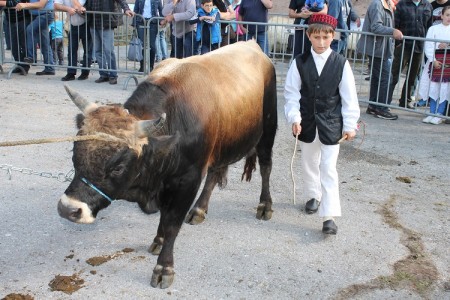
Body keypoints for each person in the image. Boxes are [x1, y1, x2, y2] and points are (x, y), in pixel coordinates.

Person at [284, 14, 360, 234]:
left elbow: (349, 97)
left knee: (328, 168)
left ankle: (329, 216)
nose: (321, 42)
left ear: (332, 37)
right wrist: (294, 118)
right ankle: (313, 195)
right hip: (307, 123)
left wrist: (350, 124)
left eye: (325, 37)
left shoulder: (341, 63)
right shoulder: (299, 62)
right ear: (309, 36)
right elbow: (291, 94)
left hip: (332, 125)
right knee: (309, 162)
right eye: (316, 37)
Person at [356, 0, 403, 120]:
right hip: (377, 48)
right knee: (385, 78)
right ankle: (380, 108)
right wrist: (393, 31)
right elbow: (376, 27)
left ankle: (373, 106)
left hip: (381, 48)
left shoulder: (386, 4)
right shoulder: (377, 4)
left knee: (378, 77)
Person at [387, 0, 432, 109]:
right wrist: (398, 44)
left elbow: (429, 27)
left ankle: (405, 101)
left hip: (419, 47)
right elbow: (395, 25)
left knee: (412, 77)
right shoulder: (402, 4)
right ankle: (385, 101)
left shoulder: (427, 6)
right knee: (394, 75)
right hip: (403, 46)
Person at [81, 0, 134, 85]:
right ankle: (103, 74)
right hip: (93, 24)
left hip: (106, 24)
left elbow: (121, 1)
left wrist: (126, 9)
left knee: (108, 51)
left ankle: (113, 75)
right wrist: (83, 8)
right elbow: (88, 4)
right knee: (98, 51)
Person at [418, 5, 450, 124]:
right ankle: (432, 112)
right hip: (434, 63)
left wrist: (447, 45)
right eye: (447, 15)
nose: (449, 18)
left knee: (445, 88)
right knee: (433, 87)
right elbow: (429, 45)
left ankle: (440, 114)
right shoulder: (433, 29)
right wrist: (433, 60)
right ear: (442, 15)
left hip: (448, 65)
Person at [54, 0, 92, 81]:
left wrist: (73, 5)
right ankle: (71, 72)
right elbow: (56, 5)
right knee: (71, 50)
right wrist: (67, 8)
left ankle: (85, 72)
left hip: (86, 24)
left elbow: (78, 6)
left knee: (87, 51)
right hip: (73, 25)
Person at [19, 0, 56, 76]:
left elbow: (41, 4)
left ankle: (31, 57)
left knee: (30, 29)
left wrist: (25, 5)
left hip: (45, 14)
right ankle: (50, 68)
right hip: (40, 15)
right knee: (44, 43)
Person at [0, 0, 30, 75]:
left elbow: (17, 3)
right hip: (11, 20)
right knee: (13, 45)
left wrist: (2, 3)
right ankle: (19, 64)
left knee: (23, 43)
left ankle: (25, 66)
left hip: (23, 19)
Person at [133, 0, 164, 73]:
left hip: (153, 22)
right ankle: (142, 66)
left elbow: (161, 10)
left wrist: (162, 21)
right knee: (141, 45)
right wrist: (134, 23)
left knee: (152, 46)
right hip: (141, 21)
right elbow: (136, 10)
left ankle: (151, 66)